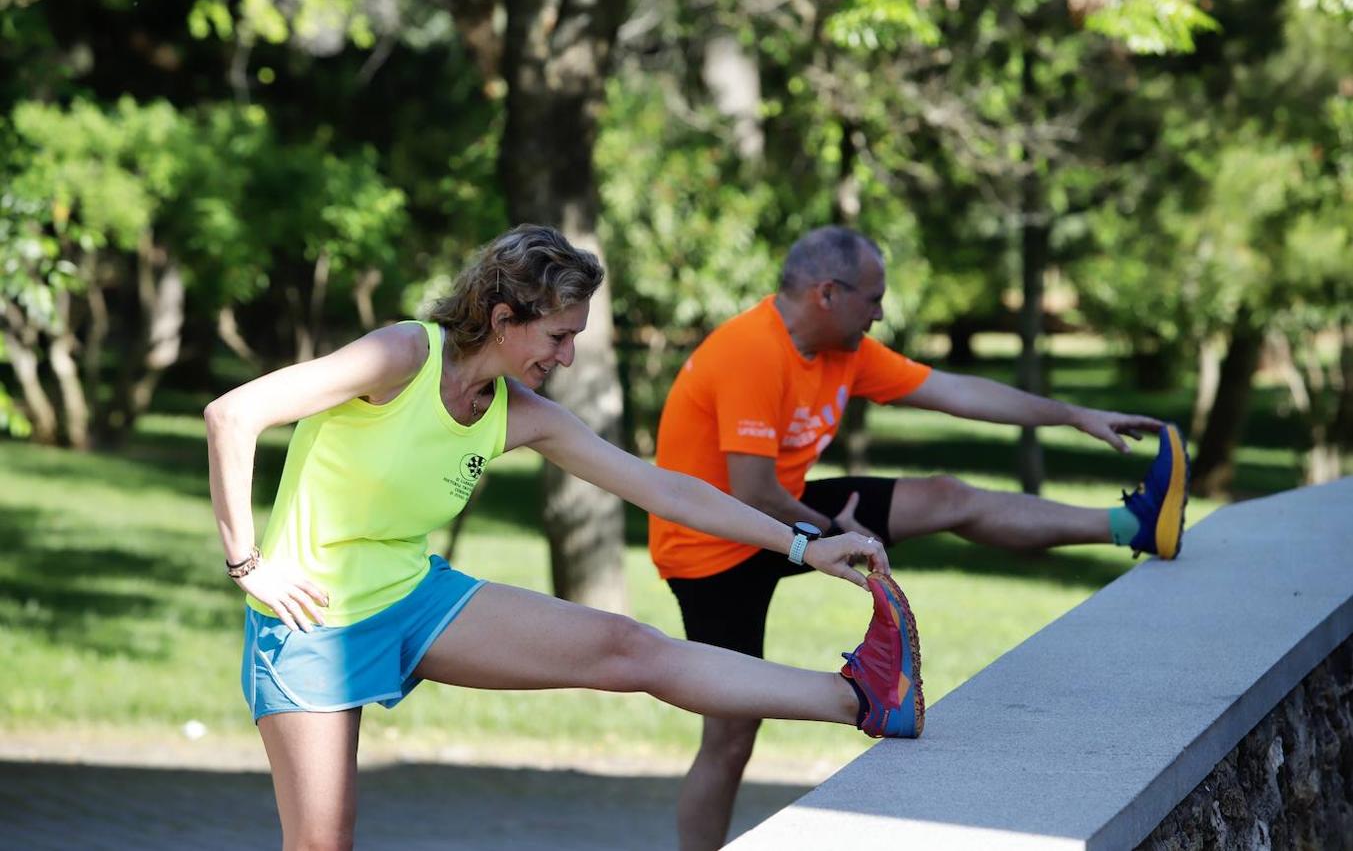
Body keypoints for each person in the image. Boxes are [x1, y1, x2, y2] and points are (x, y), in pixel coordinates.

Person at [205, 224, 923, 851]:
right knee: (322, 842)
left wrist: (802, 545)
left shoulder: (519, 412)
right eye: (558, 336)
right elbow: (232, 415)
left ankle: (861, 698)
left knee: (628, 648)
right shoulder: (400, 357)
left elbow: (663, 489)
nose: (568, 358)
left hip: (410, 596)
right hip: (310, 619)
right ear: (503, 317)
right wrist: (249, 564)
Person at [649, 225, 1189, 851]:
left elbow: (957, 392)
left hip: (789, 511)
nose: (880, 313)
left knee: (947, 497)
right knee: (732, 735)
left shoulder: (843, 351)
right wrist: (828, 530)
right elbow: (751, 490)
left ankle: (1132, 526)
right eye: (872, 299)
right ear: (827, 293)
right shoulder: (750, 351)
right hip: (711, 548)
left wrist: (1072, 414)